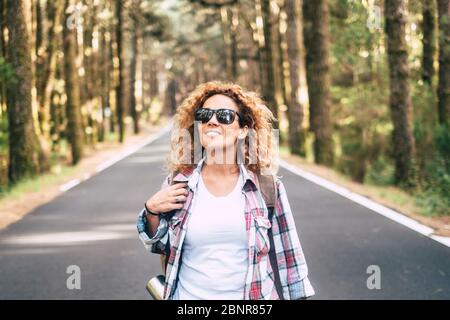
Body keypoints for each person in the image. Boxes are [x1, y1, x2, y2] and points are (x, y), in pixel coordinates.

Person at [137, 81, 315, 300]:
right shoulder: (179, 183)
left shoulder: (267, 188)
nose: (212, 121)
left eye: (224, 116)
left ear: (243, 130)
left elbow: (291, 263)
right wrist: (151, 211)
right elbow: (160, 246)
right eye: (204, 115)